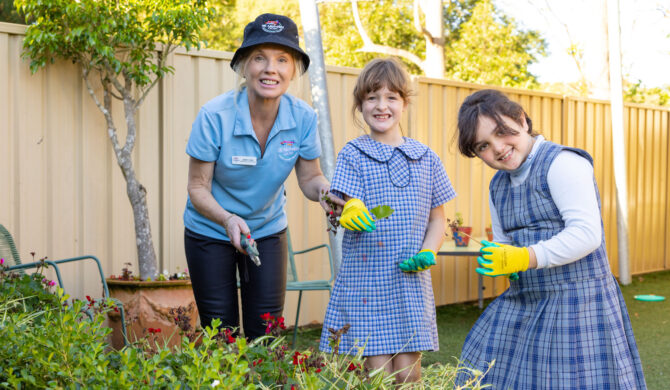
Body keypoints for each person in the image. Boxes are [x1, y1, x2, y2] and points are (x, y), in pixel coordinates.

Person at [454, 89, 646, 389]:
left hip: (578, 301)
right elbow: (505, 241)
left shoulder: (563, 163)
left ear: (521, 120)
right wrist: (503, 258)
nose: (499, 148)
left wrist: (525, 257)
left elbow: (586, 234)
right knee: (483, 364)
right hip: (527, 298)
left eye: (503, 133)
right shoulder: (498, 185)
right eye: (484, 146)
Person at [183, 13, 344, 340]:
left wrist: (328, 195)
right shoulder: (214, 116)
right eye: (260, 57)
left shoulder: (303, 118)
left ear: (294, 69)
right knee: (221, 334)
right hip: (210, 230)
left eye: (282, 59)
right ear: (244, 65)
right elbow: (197, 187)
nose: (271, 68)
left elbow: (311, 177)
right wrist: (228, 220)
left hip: (268, 229)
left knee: (266, 333)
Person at [319, 58, 456, 384]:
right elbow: (335, 205)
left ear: (405, 103)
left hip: (410, 280)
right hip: (367, 281)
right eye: (372, 98)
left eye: (391, 97)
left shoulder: (426, 158)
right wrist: (344, 210)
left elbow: (438, 219)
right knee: (378, 374)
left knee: (409, 374)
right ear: (360, 105)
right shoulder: (353, 153)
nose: (382, 106)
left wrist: (429, 252)